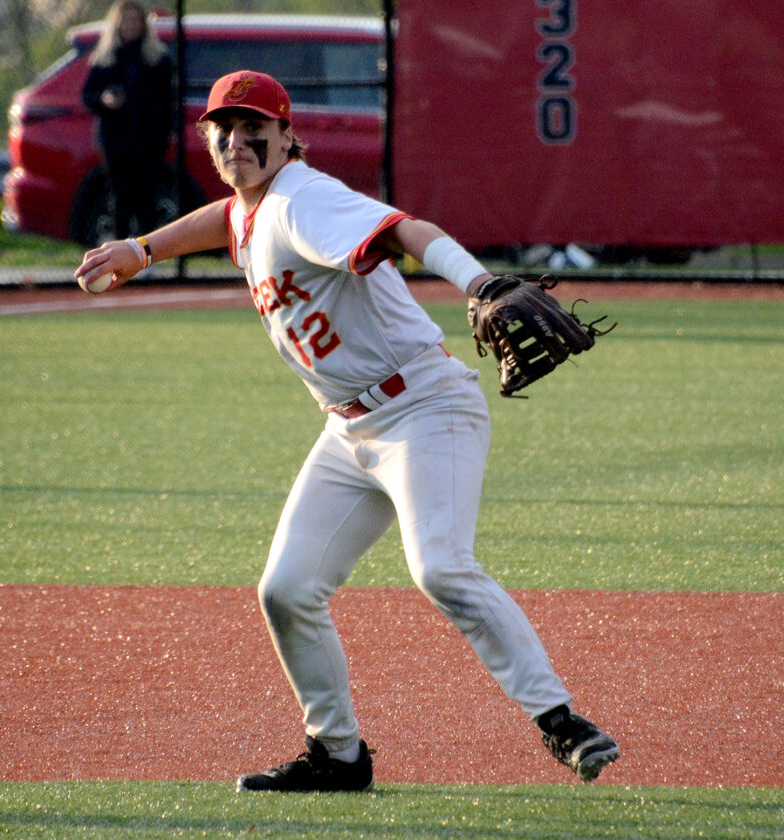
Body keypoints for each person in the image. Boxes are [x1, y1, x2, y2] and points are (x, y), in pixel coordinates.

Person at [75, 70, 620, 793]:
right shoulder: (256, 203)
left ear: (286, 136)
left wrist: (480, 283)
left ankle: (561, 721)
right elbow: (228, 219)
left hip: (424, 409)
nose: (235, 142)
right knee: (286, 589)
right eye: (222, 130)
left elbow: (403, 230)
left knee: (440, 568)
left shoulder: (304, 199)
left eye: (252, 129)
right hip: (349, 430)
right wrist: (142, 250)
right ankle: (336, 754)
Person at [81, 1, 173, 240]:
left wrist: (163, 132)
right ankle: (119, 250)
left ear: (143, 25)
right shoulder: (104, 60)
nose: (131, 26)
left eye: (135, 21)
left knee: (147, 196)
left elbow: (169, 100)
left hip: (149, 139)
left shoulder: (157, 59)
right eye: (126, 21)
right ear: (116, 25)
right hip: (115, 140)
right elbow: (87, 96)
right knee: (120, 196)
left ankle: (147, 251)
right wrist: (104, 99)